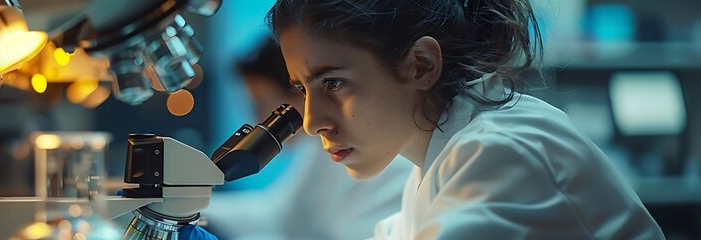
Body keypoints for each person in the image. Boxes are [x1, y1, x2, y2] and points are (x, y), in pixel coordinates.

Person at [259, 0, 667, 239]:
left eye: (333, 83)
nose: (311, 123)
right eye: (302, 89)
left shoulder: (501, 151)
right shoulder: (433, 165)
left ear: (420, 65)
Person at [199, 37, 413, 240]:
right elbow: (280, 215)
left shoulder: (385, 157)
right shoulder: (320, 149)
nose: (311, 124)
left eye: (260, 105)